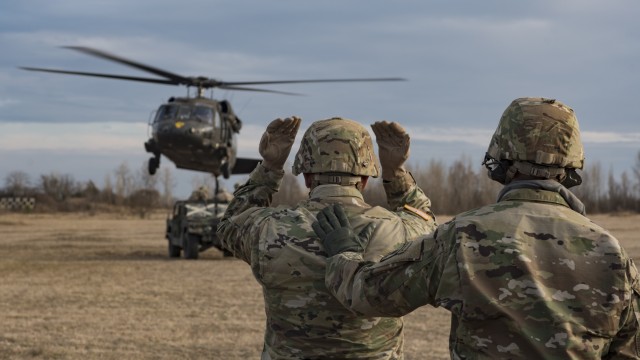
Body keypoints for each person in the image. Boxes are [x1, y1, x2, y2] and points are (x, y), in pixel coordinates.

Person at [314, 98, 640, 359]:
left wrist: (344, 252)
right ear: (571, 167)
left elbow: (370, 296)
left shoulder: (463, 236)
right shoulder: (612, 253)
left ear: (501, 159)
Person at [217, 116, 437, 359]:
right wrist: (395, 173)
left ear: (307, 176)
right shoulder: (398, 231)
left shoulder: (270, 229)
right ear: (364, 180)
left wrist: (269, 168)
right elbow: (428, 225)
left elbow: (229, 225)